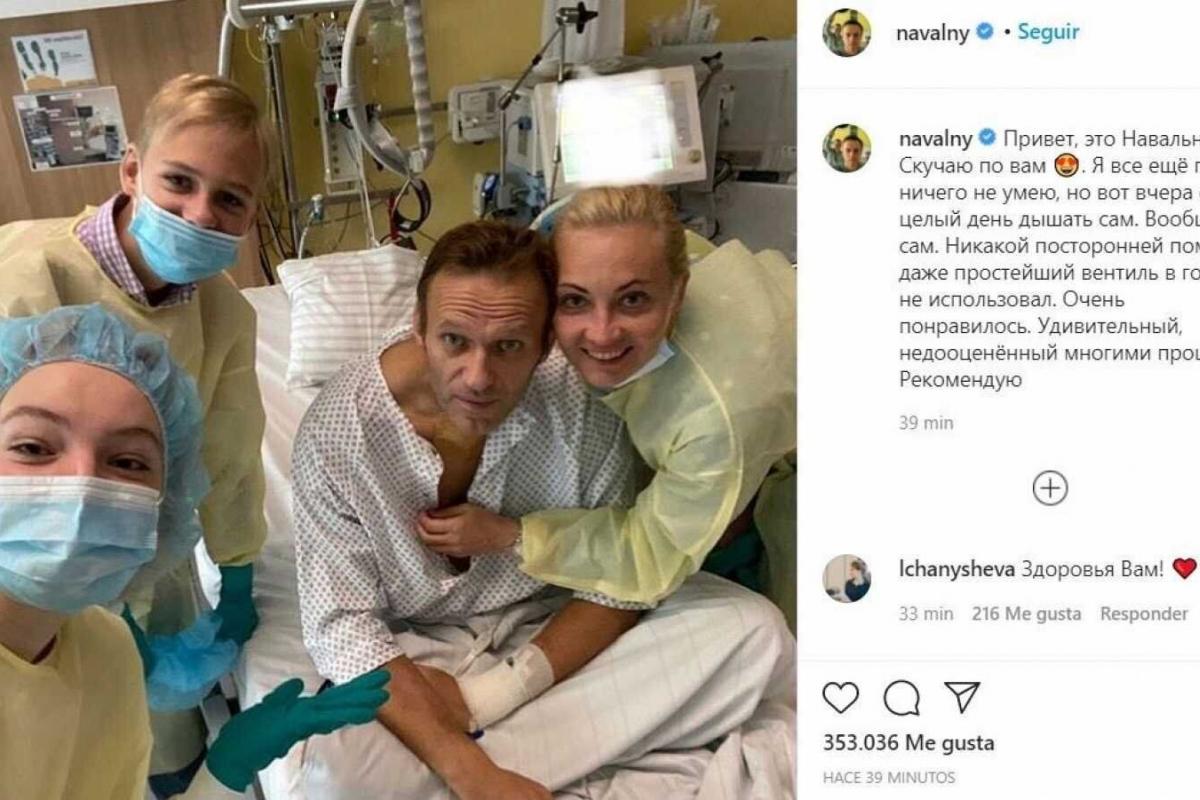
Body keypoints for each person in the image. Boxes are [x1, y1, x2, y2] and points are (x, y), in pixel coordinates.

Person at [293, 221, 793, 798]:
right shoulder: (339, 432)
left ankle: (464, 753)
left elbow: (620, 577)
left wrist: (496, 694)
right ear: (419, 326)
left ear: (545, 345)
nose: (478, 378)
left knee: (755, 633)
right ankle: (522, 754)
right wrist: (472, 773)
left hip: (561, 628)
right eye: (454, 341)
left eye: (509, 347)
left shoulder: (581, 398)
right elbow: (344, 627)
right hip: (420, 651)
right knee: (336, 775)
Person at [0, 304, 389, 799]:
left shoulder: (108, 652)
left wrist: (224, 770)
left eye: (128, 461)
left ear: (166, 506)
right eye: (33, 448)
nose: (83, 484)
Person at [0, 73, 270, 781]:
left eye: (231, 199)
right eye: (179, 181)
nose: (199, 214)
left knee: (145, 746)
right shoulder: (26, 277)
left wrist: (238, 572)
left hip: (142, 547)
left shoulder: (223, 315)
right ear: (130, 169)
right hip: (15, 555)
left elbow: (230, 453)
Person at [418, 186, 797, 629]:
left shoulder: (715, 418)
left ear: (678, 292)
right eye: (574, 300)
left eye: (632, 300)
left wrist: (513, 536)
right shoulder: (585, 235)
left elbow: (649, 557)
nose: (601, 334)